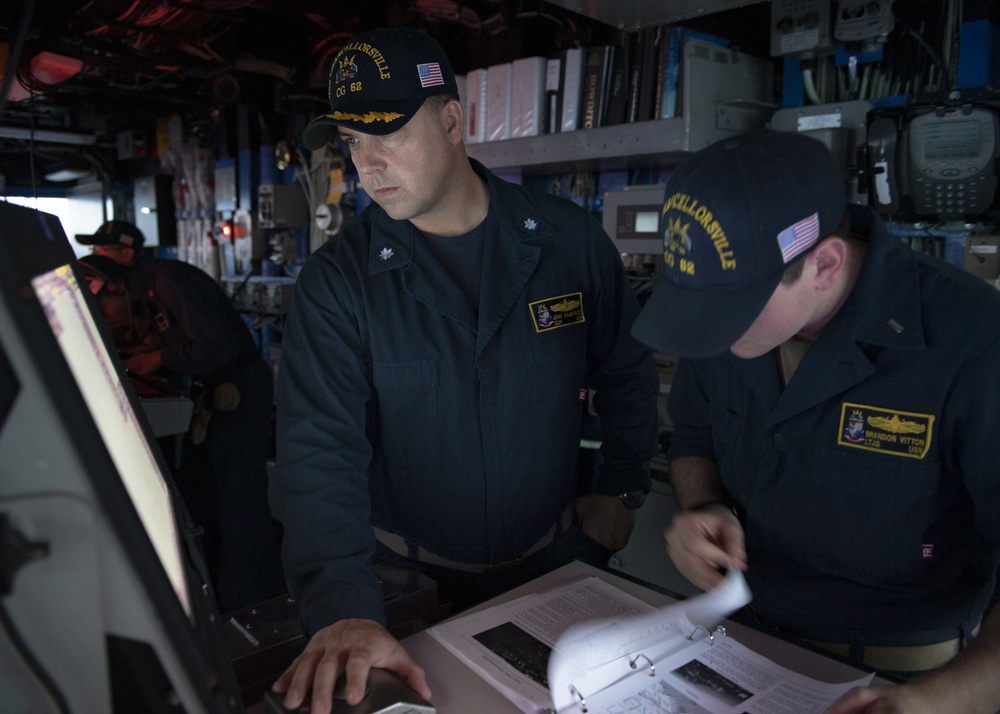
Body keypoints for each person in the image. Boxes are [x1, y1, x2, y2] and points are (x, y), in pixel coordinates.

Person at [272, 26, 660, 712]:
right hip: (406, 586)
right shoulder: (340, 283)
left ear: (452, 120)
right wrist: (343, 606)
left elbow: (625, 374)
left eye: (386, 134)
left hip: (557, 566)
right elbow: (317, 453)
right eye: (353, 142)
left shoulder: (569, 241)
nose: (369, 164)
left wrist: (625, 493)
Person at [630, 129, 1000, 713]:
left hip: (904, 672)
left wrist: (933, 702)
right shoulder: (725, 324)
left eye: (731, 309)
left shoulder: (974, 345)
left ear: (823, 264)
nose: (713, 333)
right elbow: (696, 432)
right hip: (746, 643)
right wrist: (700, 507)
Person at [77, 221, 286, 613]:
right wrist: (146, 347)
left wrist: (158, 357)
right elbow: (171, 332)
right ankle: (219, 585)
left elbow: (217, 345)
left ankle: (258, 598)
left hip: (238, 390)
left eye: (105, 251)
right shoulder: (144, 288)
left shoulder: (169, 279)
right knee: (206, 491)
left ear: (127, 254)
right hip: (210, 393)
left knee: (238, 496)